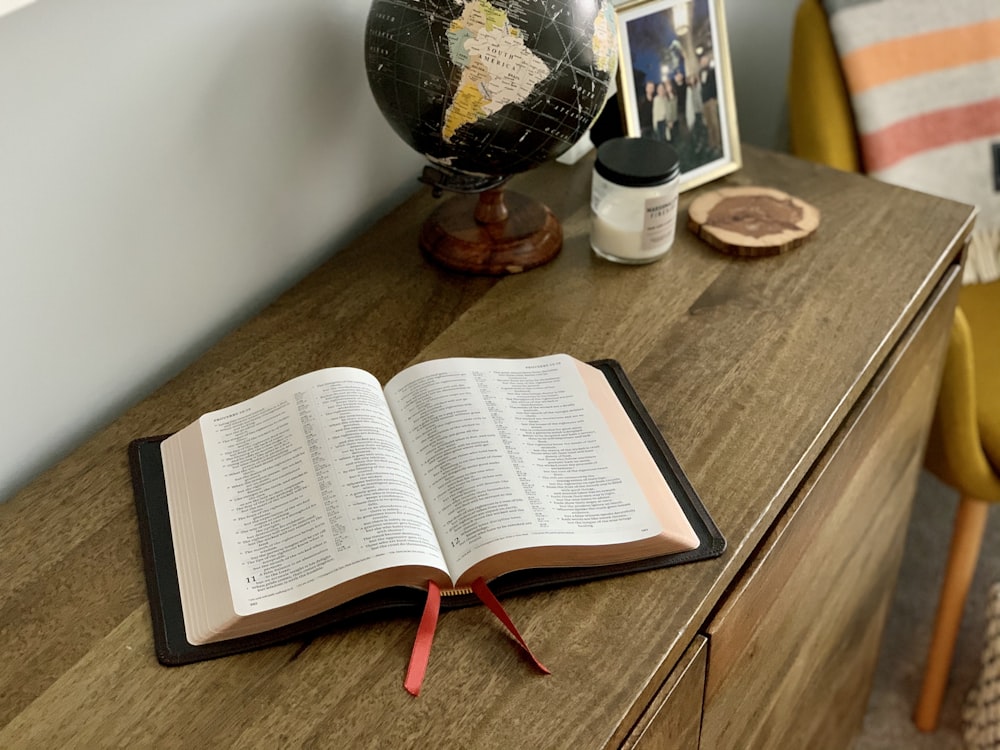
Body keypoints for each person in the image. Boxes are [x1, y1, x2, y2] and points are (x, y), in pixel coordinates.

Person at [700, 53, 721, 152]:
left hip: (711, 100)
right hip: (704, 101)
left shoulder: (712, 71)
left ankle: (718, 144)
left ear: (707, 61)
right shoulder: (701, 72)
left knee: (714, 123)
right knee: (708, 124)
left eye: (704, 60)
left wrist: (715, 98)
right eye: (701, 61)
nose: (703, 62)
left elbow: (715, 84)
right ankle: (711, 144)